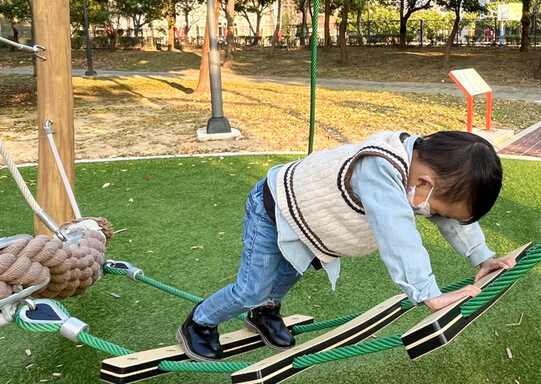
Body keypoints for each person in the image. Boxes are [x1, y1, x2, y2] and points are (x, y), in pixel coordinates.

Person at [177, 130, 515, 361]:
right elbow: (398, 233)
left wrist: (481, 257)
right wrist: (428, 292)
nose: (435, 215)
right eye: (437, 210)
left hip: (312, 225)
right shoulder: (381, 167)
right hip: (273, 208)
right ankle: (200, 322)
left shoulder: (422, 173)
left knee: (287, 275)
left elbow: (452, 218)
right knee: (253, 287)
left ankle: (264, 312)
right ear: (426, 184)